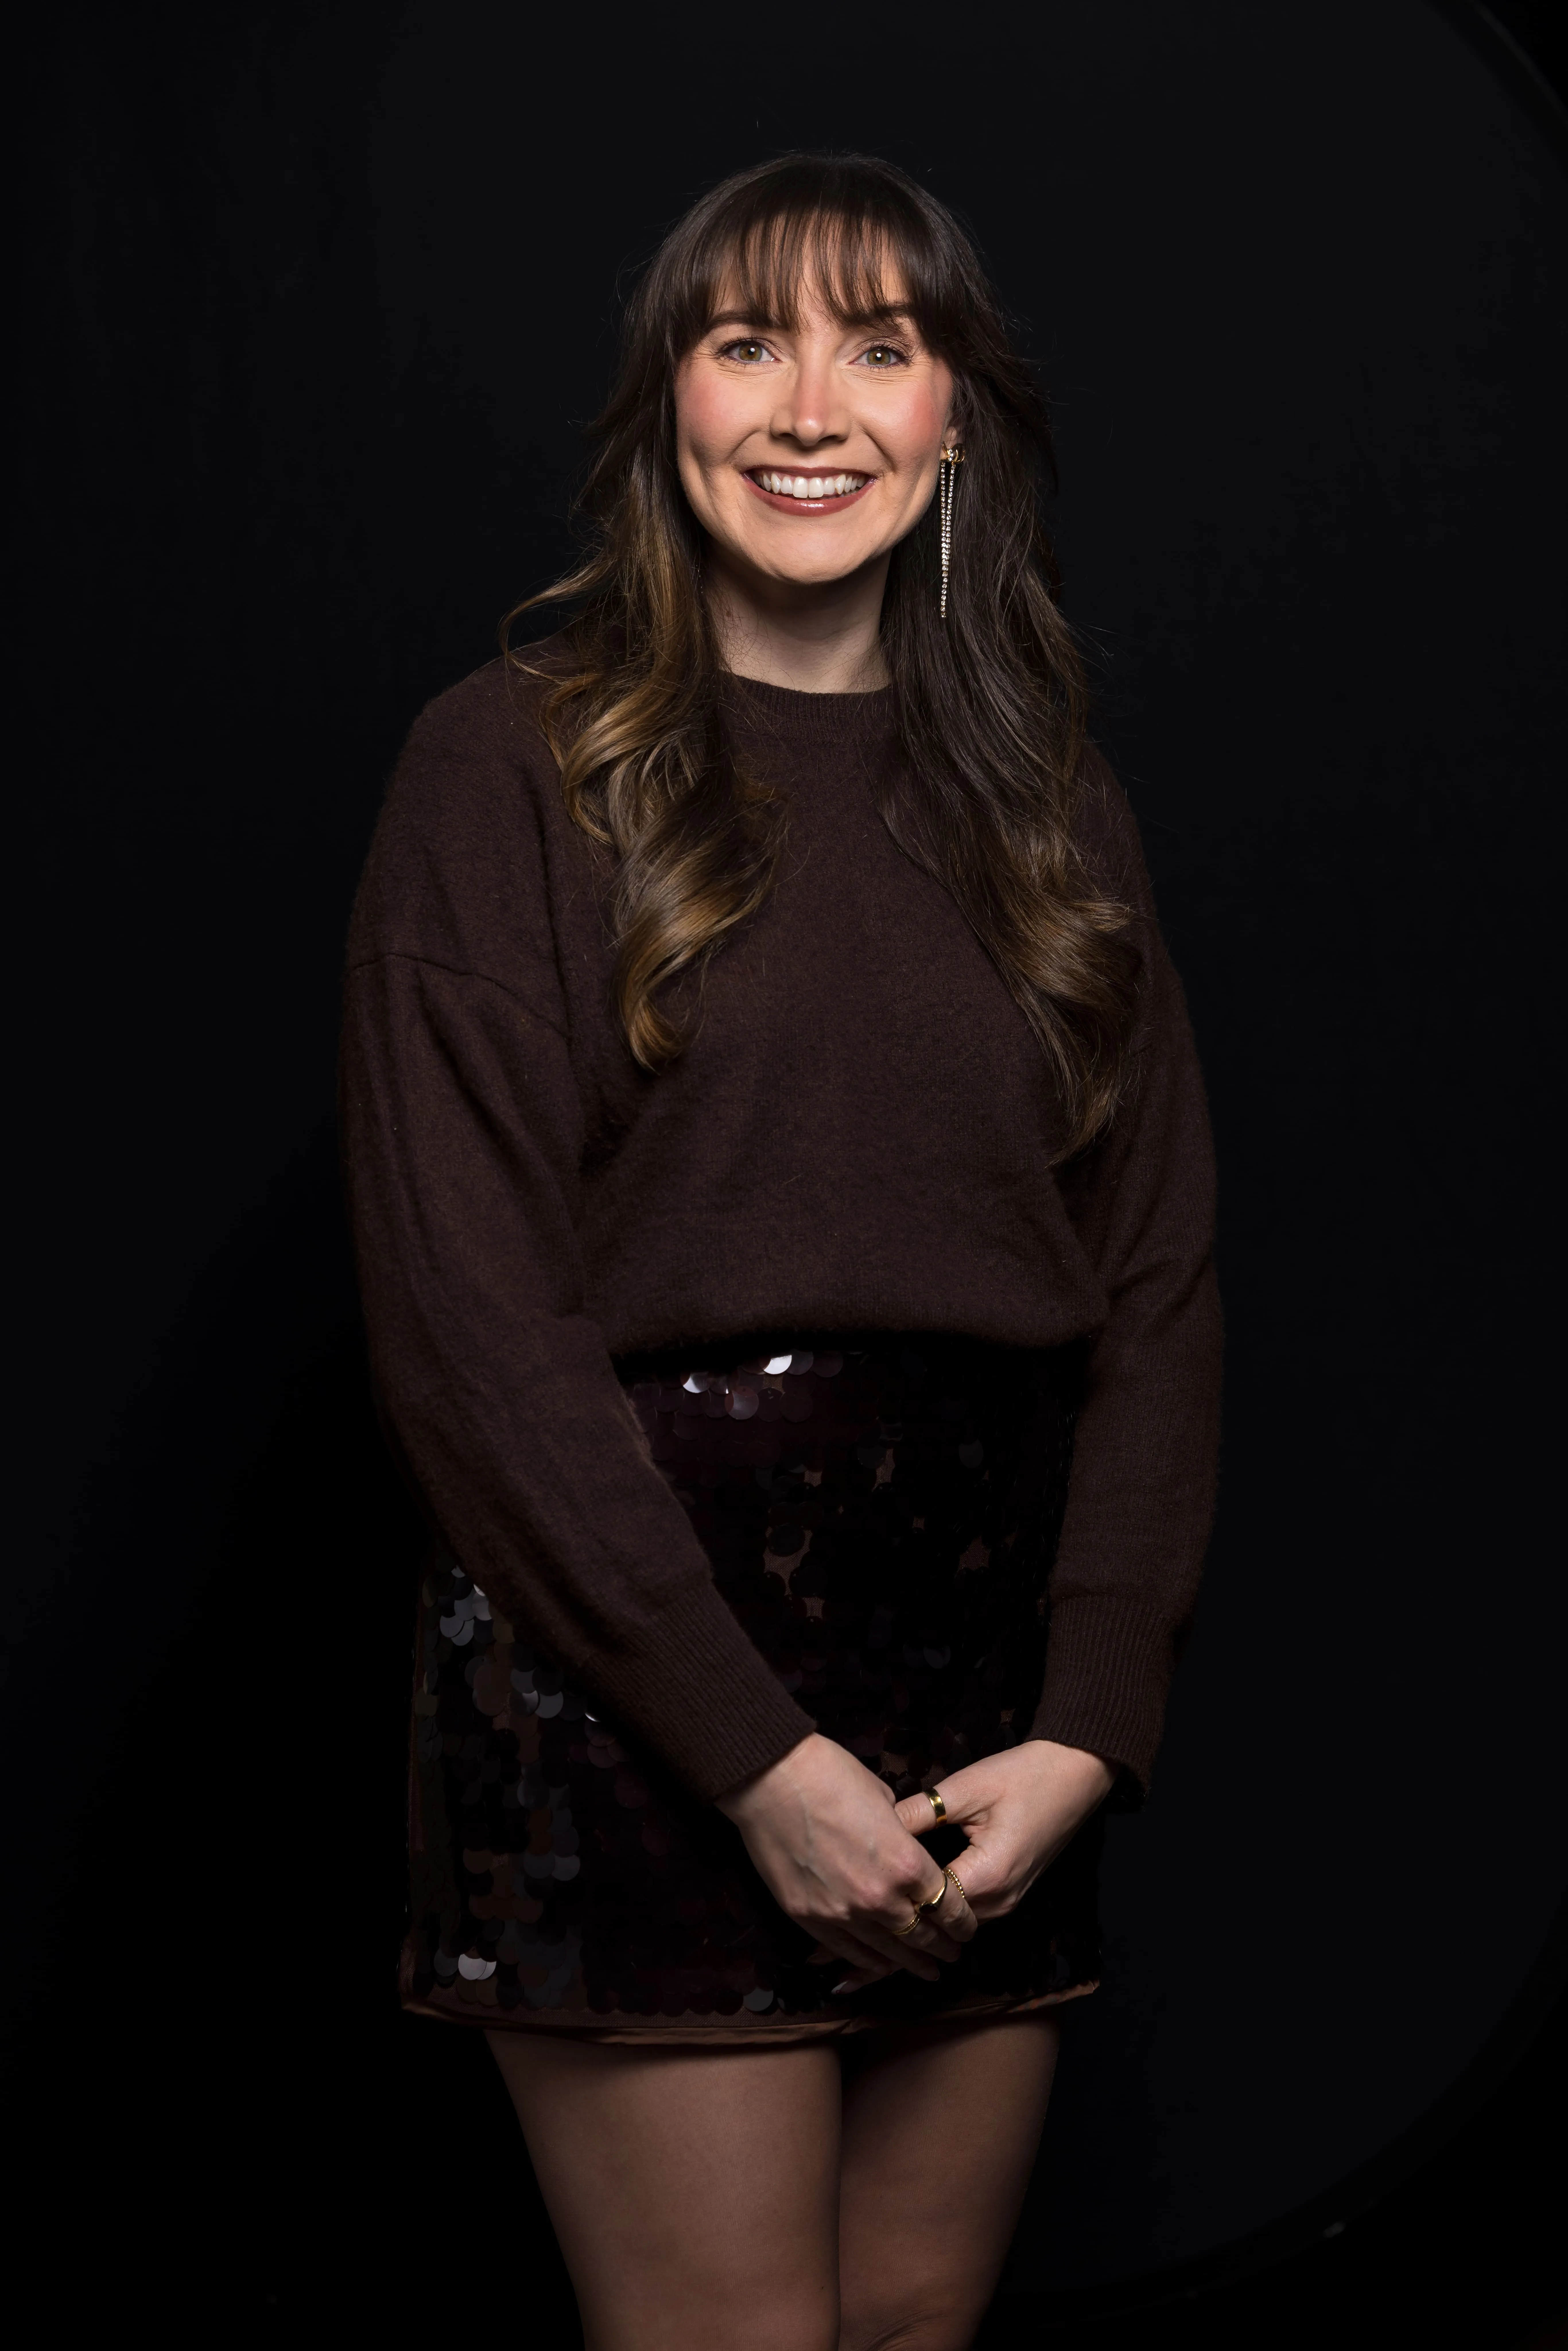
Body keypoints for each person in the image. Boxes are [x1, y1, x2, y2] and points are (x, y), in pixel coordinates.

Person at [340, 150, 1220, 2351]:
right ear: (667, 411)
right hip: (634, 1663)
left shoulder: (1048, 803)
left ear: (954, 426)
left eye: (877, 345)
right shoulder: (507, 767)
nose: (809, 405)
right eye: (747, 345)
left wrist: (1091, 1717)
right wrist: (749, 1753)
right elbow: (466, 1328)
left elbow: (1157, 1284)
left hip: (985, 1710)